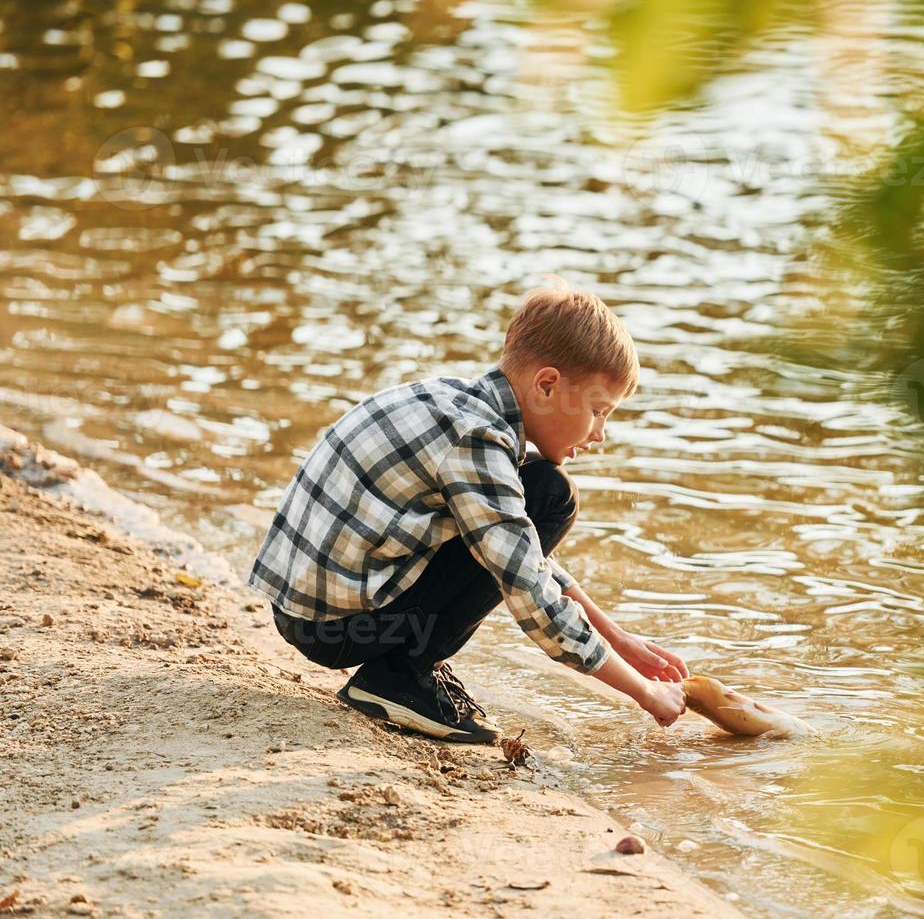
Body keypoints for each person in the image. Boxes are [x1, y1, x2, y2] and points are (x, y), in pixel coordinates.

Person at [246, 277, 689, 743]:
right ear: (547, 385)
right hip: (334, 628)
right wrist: (642, 692)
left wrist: (616, 639)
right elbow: (528, 590)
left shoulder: (457, 406)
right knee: (552, 495)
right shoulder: (476, 442)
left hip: (311, 613)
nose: (600, 433)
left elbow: (519, 547)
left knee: (538, 493)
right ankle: (399, 678)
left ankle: (400, 671)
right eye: (599, 410)